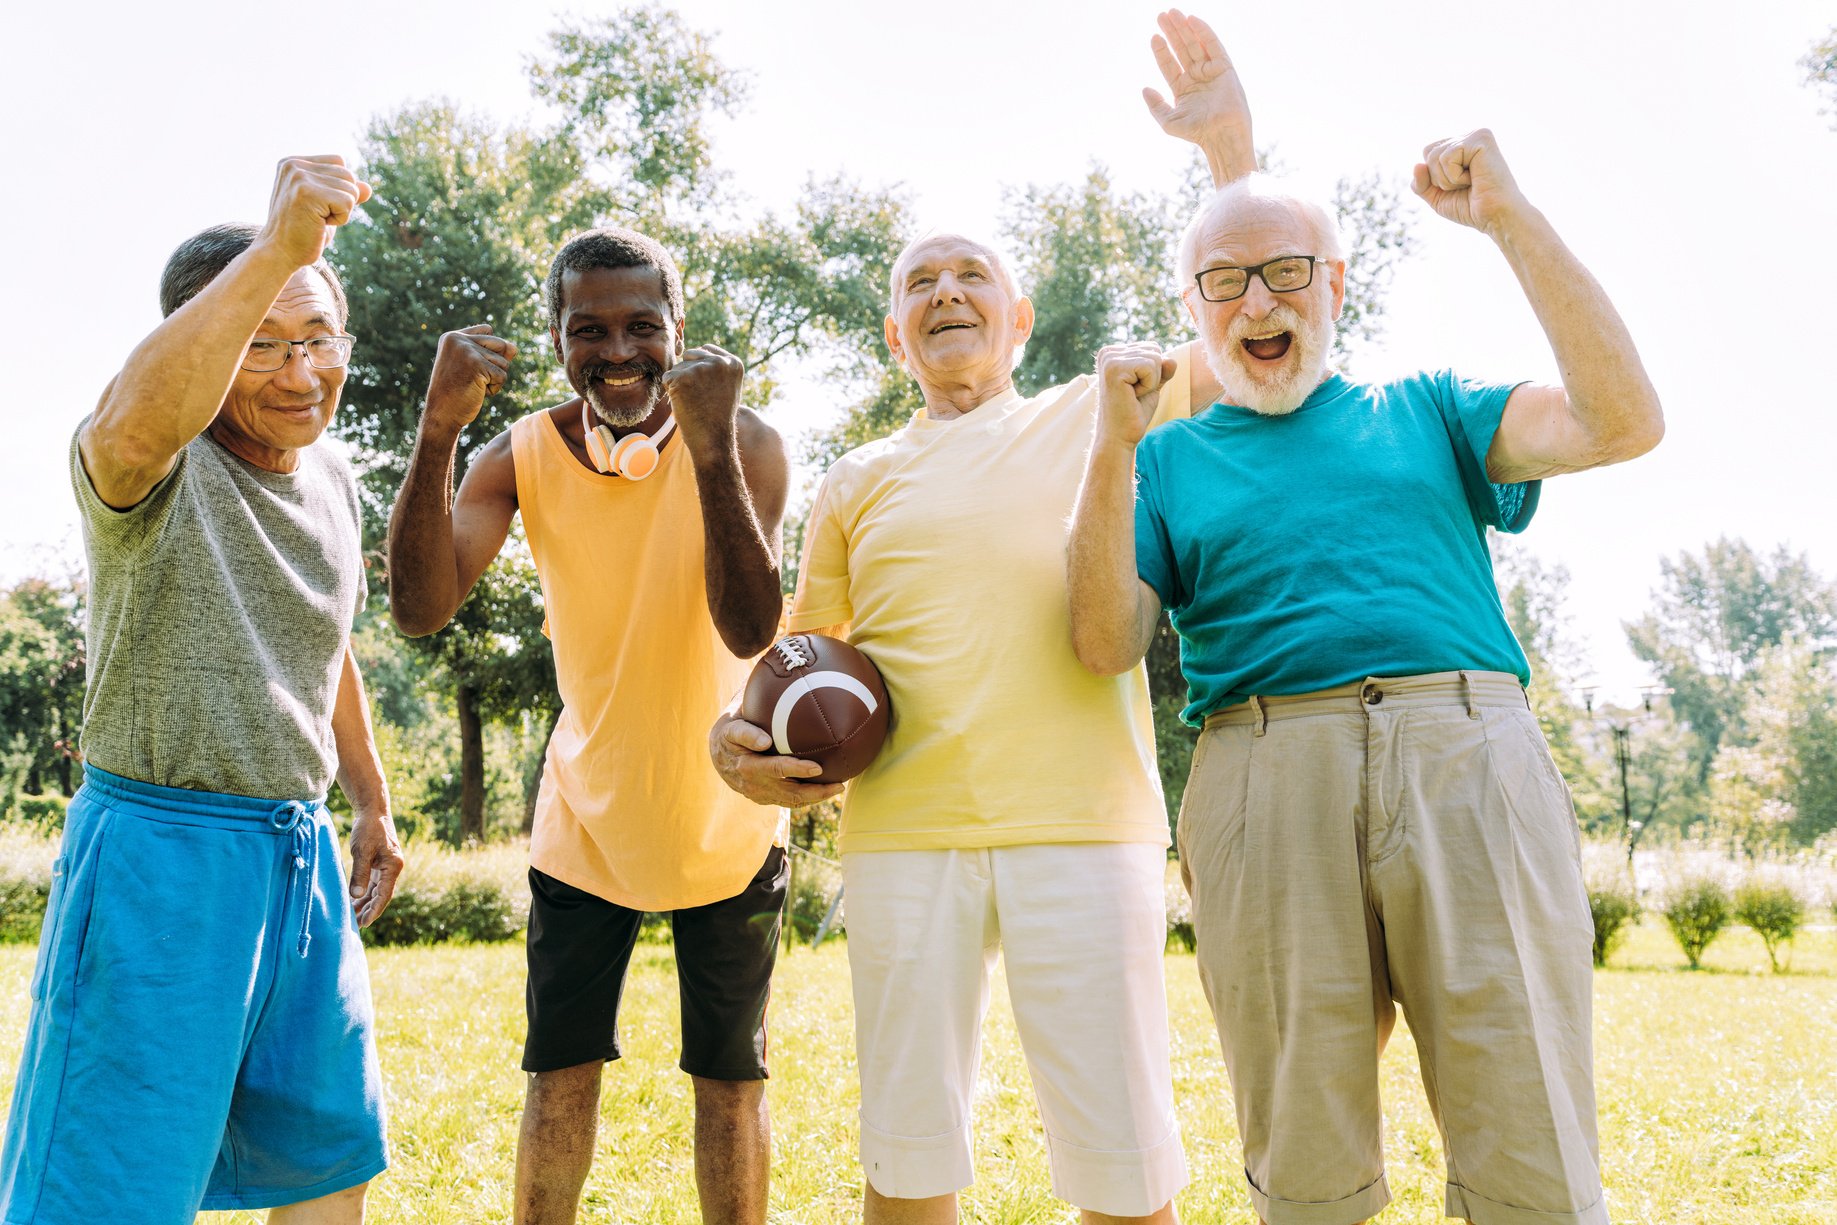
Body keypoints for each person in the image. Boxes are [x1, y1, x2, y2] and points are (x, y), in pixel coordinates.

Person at [708, 13, 1254, 1224]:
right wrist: (740, 749)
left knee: (1121, 1160)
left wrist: (1229, 154)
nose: (946, 291)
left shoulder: (1102, 410)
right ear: (895, 335)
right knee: (907, 1163)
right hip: (906, 841)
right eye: (919, 284)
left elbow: (1242, 332)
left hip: (1087, 830)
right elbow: (800, 664)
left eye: (974, 278)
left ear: (1017, 321)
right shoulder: (854, 479)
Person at [1066, 129, 1664, 1225]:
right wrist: (1109, 448)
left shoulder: (1429, 406)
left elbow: (1620, 421)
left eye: (1286, 270)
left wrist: (1509, 219)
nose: (1257, 300)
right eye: (1223, 280)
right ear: (1193, 307)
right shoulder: (1165, 460)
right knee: (1302, 1145)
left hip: (1466, 758)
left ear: (1334, 283)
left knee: (1525, 1107)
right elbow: (1105, 640)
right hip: (1263, 776)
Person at [1, 156, 406, 1224]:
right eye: (262, 343)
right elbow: (135, 422)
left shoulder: (333, 483)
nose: (299, 371)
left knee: (331, 1157)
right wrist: (279, 251)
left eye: (317, 339)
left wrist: (368, 797)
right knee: (110, 1184)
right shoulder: (151, 465)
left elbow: (325, 637)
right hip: (159, 857)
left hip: (299, 849)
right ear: (208, 339)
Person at [386, 226, 792, 1225]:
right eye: (589, 329)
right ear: (558, 338)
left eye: (642, 325)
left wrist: (703, 446)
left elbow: (749, 624)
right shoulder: (515, 454)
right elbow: (419, 607)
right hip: (585, 819)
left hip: (730, 817)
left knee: (732, 1085)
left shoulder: (747, 443)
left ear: (680, 331)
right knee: (559, 1076)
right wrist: (437, 432)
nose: (618, 350)